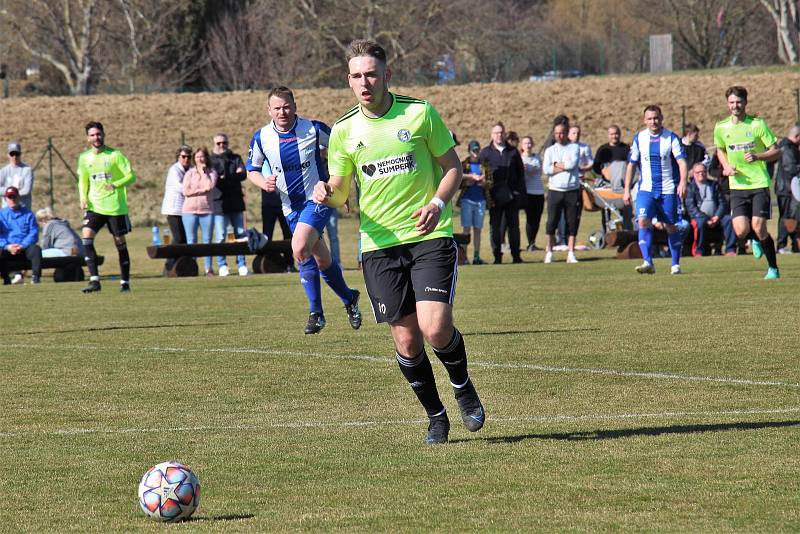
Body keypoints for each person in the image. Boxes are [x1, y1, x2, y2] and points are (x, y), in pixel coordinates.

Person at [312, 39, 484, 445]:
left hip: (429, 235)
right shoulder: (343, 131)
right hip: (378, 245)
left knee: (435, 326)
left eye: (371, 73)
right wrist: (326, 192)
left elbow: (453, 167)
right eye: (356, 76)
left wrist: (439, 203)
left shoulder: (419, 112)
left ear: (387, 74)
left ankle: (463, 386)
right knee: (406, 339)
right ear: (348, 81)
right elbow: (340, 191)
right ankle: (436, 416)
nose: (364, 82)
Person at [246, 85, 361, 335]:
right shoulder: (262, 137)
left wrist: (339, 189)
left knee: (298, 248)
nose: (282, 112)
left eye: (287, 106)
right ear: (269, 110)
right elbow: (252, 170)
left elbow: (344, 153)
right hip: (290, 208)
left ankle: (316, 313)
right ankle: (349, 298)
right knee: (321, 260)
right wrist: (262, 182)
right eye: (277, 108)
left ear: (295, 106)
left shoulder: (314, 129)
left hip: (318, 200)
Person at [713, 85, 781, 279]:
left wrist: (758, 156)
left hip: (758, 183)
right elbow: (720, 149)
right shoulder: (721, 127)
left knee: (759, 226)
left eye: (739, 102)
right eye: (732, 102)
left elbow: (776, 150)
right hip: (737, 186)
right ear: (728, 104)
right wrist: (726, 167)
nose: (735, 106)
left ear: (745, 102)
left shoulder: (757, 124)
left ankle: (773, 268)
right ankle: (755, 239)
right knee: (741, 231)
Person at [623, 105, 688, 275]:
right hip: (646, 190)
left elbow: (682, 162)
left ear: (662, 118)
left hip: (668, 190)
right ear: (645, 120)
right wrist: (626, 190)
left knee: (671, 226)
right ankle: (648, 262)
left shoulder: (671, 138)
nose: (653, 121)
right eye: (650, 118)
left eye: (656, 118)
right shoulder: (639, 138)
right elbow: (631, 165)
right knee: (643, 220)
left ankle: (675, 264)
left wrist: (682, 182)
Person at [77, 121, 136, 293]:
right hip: (95, 206)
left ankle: (125, 282)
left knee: (120, 243)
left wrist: (116, 184)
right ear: (88, 138)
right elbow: (83, 180)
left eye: (99, 134)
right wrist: (83, 198)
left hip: (115, 207)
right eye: (93, 135)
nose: (96, 137)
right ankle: (95, 281)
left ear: (104, 134)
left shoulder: (115, 155)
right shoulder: (84, 158)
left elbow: (131, 176)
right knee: (86, 238)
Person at [479, 122, 525, 264]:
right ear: (491, 135)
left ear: (505, 134)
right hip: (494, 197)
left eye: (501, 132)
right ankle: (497, 256)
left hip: (511, 196)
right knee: (495, 227)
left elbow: (520, 173)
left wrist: (519, 193)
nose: (499, 135)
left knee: (514, 228)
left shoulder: (513, 151)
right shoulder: (485, 153)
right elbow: (481, 174)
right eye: (496, 133)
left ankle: (516, 256)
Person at [210, 133, 249, 276]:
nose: (222, 145)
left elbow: (243, 174)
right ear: (214, 144)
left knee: (240, 234)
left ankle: (242, 264)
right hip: (219, 203)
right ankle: (222, 265)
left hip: (236, 202)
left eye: (224, 143)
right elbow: (214, 180)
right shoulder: (210, 160)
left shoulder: (236, 158)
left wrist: (226, 177)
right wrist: (232, 176)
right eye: (219, 143)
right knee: (221, 236)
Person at [543, 123, 582, 263]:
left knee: (572, 222)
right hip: (555, 190)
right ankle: (549, 251)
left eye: (562, 133)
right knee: (551, 222)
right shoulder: (550, 150)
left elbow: (572, 165)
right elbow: (546, 169)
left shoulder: (574, 147)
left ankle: (571, 252)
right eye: (556, 133)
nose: (559, 136)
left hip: (571, 190)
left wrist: (555, 165)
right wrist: (562, 165)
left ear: (566, 133)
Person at [685, 163, 736, 256]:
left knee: (729, 220)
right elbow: (691, 207)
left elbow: (722, 202)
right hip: (699, 218)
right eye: (698, 172)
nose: (701, 174)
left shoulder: (714, 185)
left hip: (716, 217)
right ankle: (699, 251)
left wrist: (717, 216)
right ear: (693, 174)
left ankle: (730, 250)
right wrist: (705, 218)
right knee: (699, 223)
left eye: (703, 172)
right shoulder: (690, 187)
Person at [182, 147, 218, 276]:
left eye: (202, 156)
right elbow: (185, 191)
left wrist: (203, 173)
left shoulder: (212, 172)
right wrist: (201, 190)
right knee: (191, 241)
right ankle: (193, 268)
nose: (200, 159)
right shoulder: (189, 173)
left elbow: (209, 186)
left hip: (207, 211)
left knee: (207, 241)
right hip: (189, 211)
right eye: (197, 157)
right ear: (194, 159)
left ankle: (209, 269)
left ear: (206, 158)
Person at [0, 186, 41, 284]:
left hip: (24, 249)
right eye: (10, 197)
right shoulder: (1, 215)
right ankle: (6, 279)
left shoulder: (28, 214)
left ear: (18, 197)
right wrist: (7, 246)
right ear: (5, 199)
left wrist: (22, 246)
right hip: (8, 249)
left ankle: (35, 278)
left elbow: (33, 233)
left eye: (14, 197)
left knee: (36, 250)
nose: (12, 199)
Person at [456, 139, 488, 264]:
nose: (475, 152)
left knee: (478, 229)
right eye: (473, 150)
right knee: (466, 230)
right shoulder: (464, 164)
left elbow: (490, 182)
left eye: (477, 150)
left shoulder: (484, 165)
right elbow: (457, 178)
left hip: (480, 200)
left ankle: (476, 256)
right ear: (469, 151)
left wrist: (484, 183)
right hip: (467, 200)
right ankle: (464, 258)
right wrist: (469, 178)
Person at [161, 145, 191, 271]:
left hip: (184, 209)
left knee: (183, 239)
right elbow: (181, 187)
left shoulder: (190, 169)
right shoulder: (174, 170)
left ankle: (178, 265)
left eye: (189, 157)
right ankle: (169, 264)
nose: (186, 159)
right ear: (178, 157)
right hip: (173, 209)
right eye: (183, 156)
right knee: (178, 238)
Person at [774, 125, 800, 253]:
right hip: (785, 188)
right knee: (785, 216)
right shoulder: (787, 148)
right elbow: (790, 167)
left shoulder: (791, 147)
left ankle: (793, 244)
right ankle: (781, 245)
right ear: (797, 136)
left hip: (789, 188)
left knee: (790, 216)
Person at [519, 136, 544, 251]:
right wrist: (524, 169)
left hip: (538, 192)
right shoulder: (520, 159)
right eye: (525, 143)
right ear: (522, 146)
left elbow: (536, 170)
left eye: (529, 143)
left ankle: (533, 241)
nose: (528, 145)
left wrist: (527, 168)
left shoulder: (536, 158)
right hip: (527, 193)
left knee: (537, 218)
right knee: (530, 218)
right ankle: (530, 243)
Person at [0, 142, 34, 209]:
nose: (14, 157)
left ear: (20, 155)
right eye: (12, 154)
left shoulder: (27, 170)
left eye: (17, 154)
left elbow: (27, 190)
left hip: (23, 208)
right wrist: (11, 191)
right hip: (7, 210)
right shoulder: (3, 171)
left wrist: (10, 194)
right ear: (8, 155)